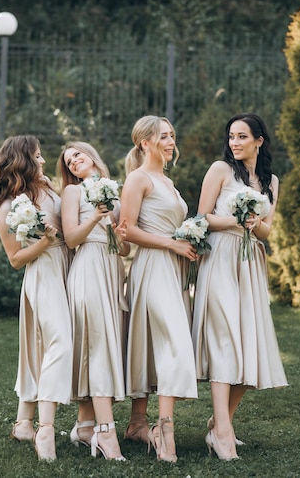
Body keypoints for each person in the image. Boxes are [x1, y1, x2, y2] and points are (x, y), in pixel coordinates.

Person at [192, 113, 288, 461]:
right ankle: (221, 433)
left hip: (249, 264)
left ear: (259, 141)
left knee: (251, 348)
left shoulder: (271, 181)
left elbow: (267, 231)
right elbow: (201, 217)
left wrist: (253, 223)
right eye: (231, 135)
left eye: (242, 136)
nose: (235, 142)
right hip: (220, 259)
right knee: (225, 342)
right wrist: (235, 219)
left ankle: (221, 423)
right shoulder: (220, 170)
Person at [0, 135, 73, 462]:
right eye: (37, 156)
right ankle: (46, 428)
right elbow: (16, 259)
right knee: (60, 344)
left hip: (66, 269)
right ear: (23, 160)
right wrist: (46, 241)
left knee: (40, 349)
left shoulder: (47, 189)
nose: (43, 161)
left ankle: (24, 423)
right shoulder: (9, 206)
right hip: (43, 274)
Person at [120, 115, 198, 464]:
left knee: (156, 343)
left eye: (172, 135)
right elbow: (127, 229)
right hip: (152, 267)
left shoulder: (167, 180)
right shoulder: (138, 179)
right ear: (145, 143)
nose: (170, 142)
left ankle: (138, 423)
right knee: (174, 342)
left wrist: (190, 242)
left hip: (173, 267)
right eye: (163, 136)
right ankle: (165, 430)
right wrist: (173, 244)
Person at [58, 141, 130, 462]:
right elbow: (72, 239)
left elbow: (125, 250)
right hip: (87, 268)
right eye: (68, 161)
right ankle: (106, 433)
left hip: (112, 269)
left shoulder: (115, 191)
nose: (73, 162)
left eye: (77, 154)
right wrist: (96, 217)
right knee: (98, 345)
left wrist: (118, 229)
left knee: (99, 345)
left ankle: (85, 425)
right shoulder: (73, 193)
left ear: (91, 155)